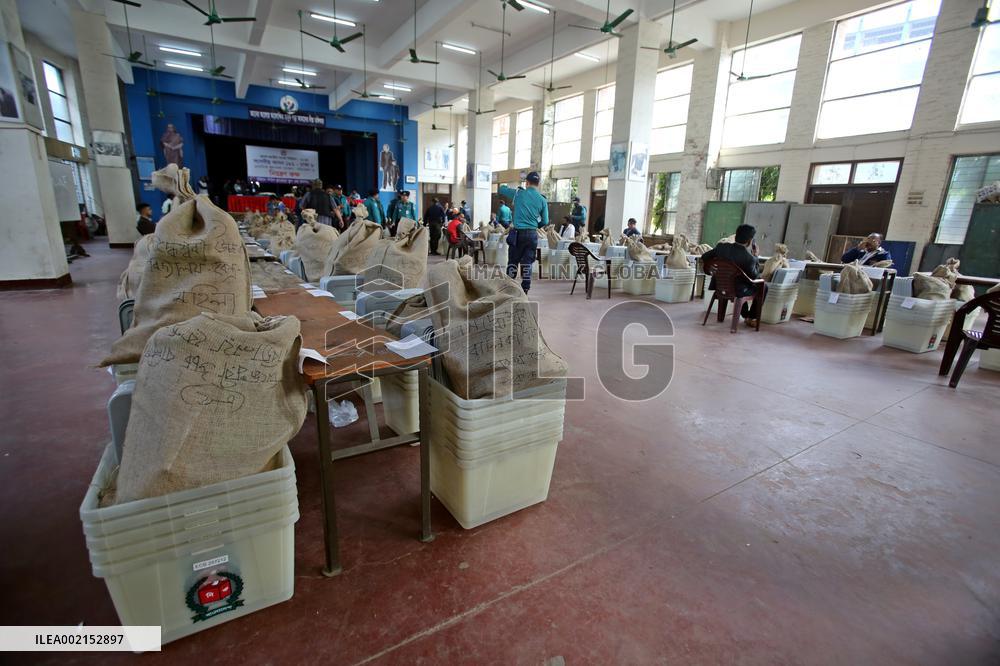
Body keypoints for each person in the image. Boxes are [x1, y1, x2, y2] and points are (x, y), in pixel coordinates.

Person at [701, 223, 765, 326]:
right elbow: (755, 277)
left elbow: (704, 256)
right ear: (750, 241)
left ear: (736, 236)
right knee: (763, 286)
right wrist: (756, 257)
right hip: (738, 290)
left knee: (740, 282)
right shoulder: (749, 258)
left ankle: (743, 315)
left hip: (719, 285)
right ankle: (751, 317)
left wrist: (711, 269)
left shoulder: (722, 247)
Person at [499, 171, 549, 294]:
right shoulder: (542, 200)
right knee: (527, 263)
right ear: (538, 183)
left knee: (513, 261)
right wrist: (535, 226)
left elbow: (501, 188)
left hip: (517, 234)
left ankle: (509, 288)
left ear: (526, 182)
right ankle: (525, 289)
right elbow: (545, 221)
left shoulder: (518, 194)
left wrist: (516, 184)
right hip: (532, 235)